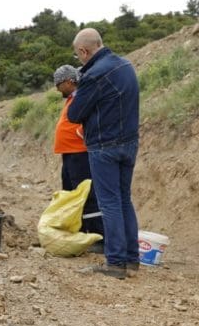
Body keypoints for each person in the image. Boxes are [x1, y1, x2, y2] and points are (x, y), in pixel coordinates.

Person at [67, 28, 140, 279]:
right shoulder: (126, 65)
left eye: (79, 55)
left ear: (85, 51)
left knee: (108, 203)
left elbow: (74, 114)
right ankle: (131, 259)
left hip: (104, 145)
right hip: (129, 143)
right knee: (123, 199)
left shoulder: (94, 74)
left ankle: (116, 262)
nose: (80, 60)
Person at [52, 64, 104, 249]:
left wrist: (82, 134)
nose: (57, 89)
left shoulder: (82, 97)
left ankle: (98, 238)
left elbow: (90, 118)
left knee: (87, 194)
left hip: (80, 154)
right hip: (70, 154)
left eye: (58, 85)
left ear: (68, 82)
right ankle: (79, 232)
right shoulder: (72, 99)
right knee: (71, 193)